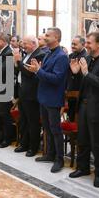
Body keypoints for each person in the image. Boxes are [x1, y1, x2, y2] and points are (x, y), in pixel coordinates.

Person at [69, 31, 99, 187]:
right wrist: (76, 74)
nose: (87, 45)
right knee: (82, 139)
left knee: (97, 143)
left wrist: (86, 73)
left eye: (89, 42)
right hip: (83, 105)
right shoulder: (87, 59)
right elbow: (82, 83)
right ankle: (83, 168)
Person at [26, 27, 69, 173]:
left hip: (53, 98)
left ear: (56, 38)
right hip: (43, 96)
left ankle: (59, 159)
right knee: (47, 128)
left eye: (48, 36)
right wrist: (36, 71)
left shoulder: (62, 56)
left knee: (56, 130)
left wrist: (38, 71)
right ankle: (50, 154)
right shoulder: (48, 54)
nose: (45, 37)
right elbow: (43, 74)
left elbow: (56, 79)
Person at [14, 35, 46, 156]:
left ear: (33, 43)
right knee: (24, 120)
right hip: (23, 91)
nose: (23, 46)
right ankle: (24, 143)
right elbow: (20, 72)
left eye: (26, 44)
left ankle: (33, 147)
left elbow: (30, 73)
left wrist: (18, 61)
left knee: (32, 122)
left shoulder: (39, 55)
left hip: (32, 94)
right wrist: (18, 64)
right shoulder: (26, 54)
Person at [67, 35, 87, 122]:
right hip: (71, 88)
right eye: (72, 44)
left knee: (78, 118)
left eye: (75, 44)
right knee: (71, 115)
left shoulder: (86, 56)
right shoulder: (71, 55)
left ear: (83, 44)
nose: (72, 46)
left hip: (80, 89)